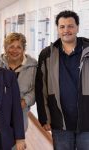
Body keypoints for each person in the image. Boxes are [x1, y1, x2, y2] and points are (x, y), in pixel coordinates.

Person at [35, 10, 89, 150]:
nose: (66, 30)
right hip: (60, 121)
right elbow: (41, 88)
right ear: (57, 29)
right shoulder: (47, 54)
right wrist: (44, 117)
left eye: (70, 26)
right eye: (62, 27)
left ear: (77, 27)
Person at [0, 32, 37, 131]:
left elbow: (36, 89)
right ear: (5, 48)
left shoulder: (33, 66)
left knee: (16, 143)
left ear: (23, 49)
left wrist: (24, 102)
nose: (15, 50)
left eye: (19, 47)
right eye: (11, 47)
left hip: (20, 114)